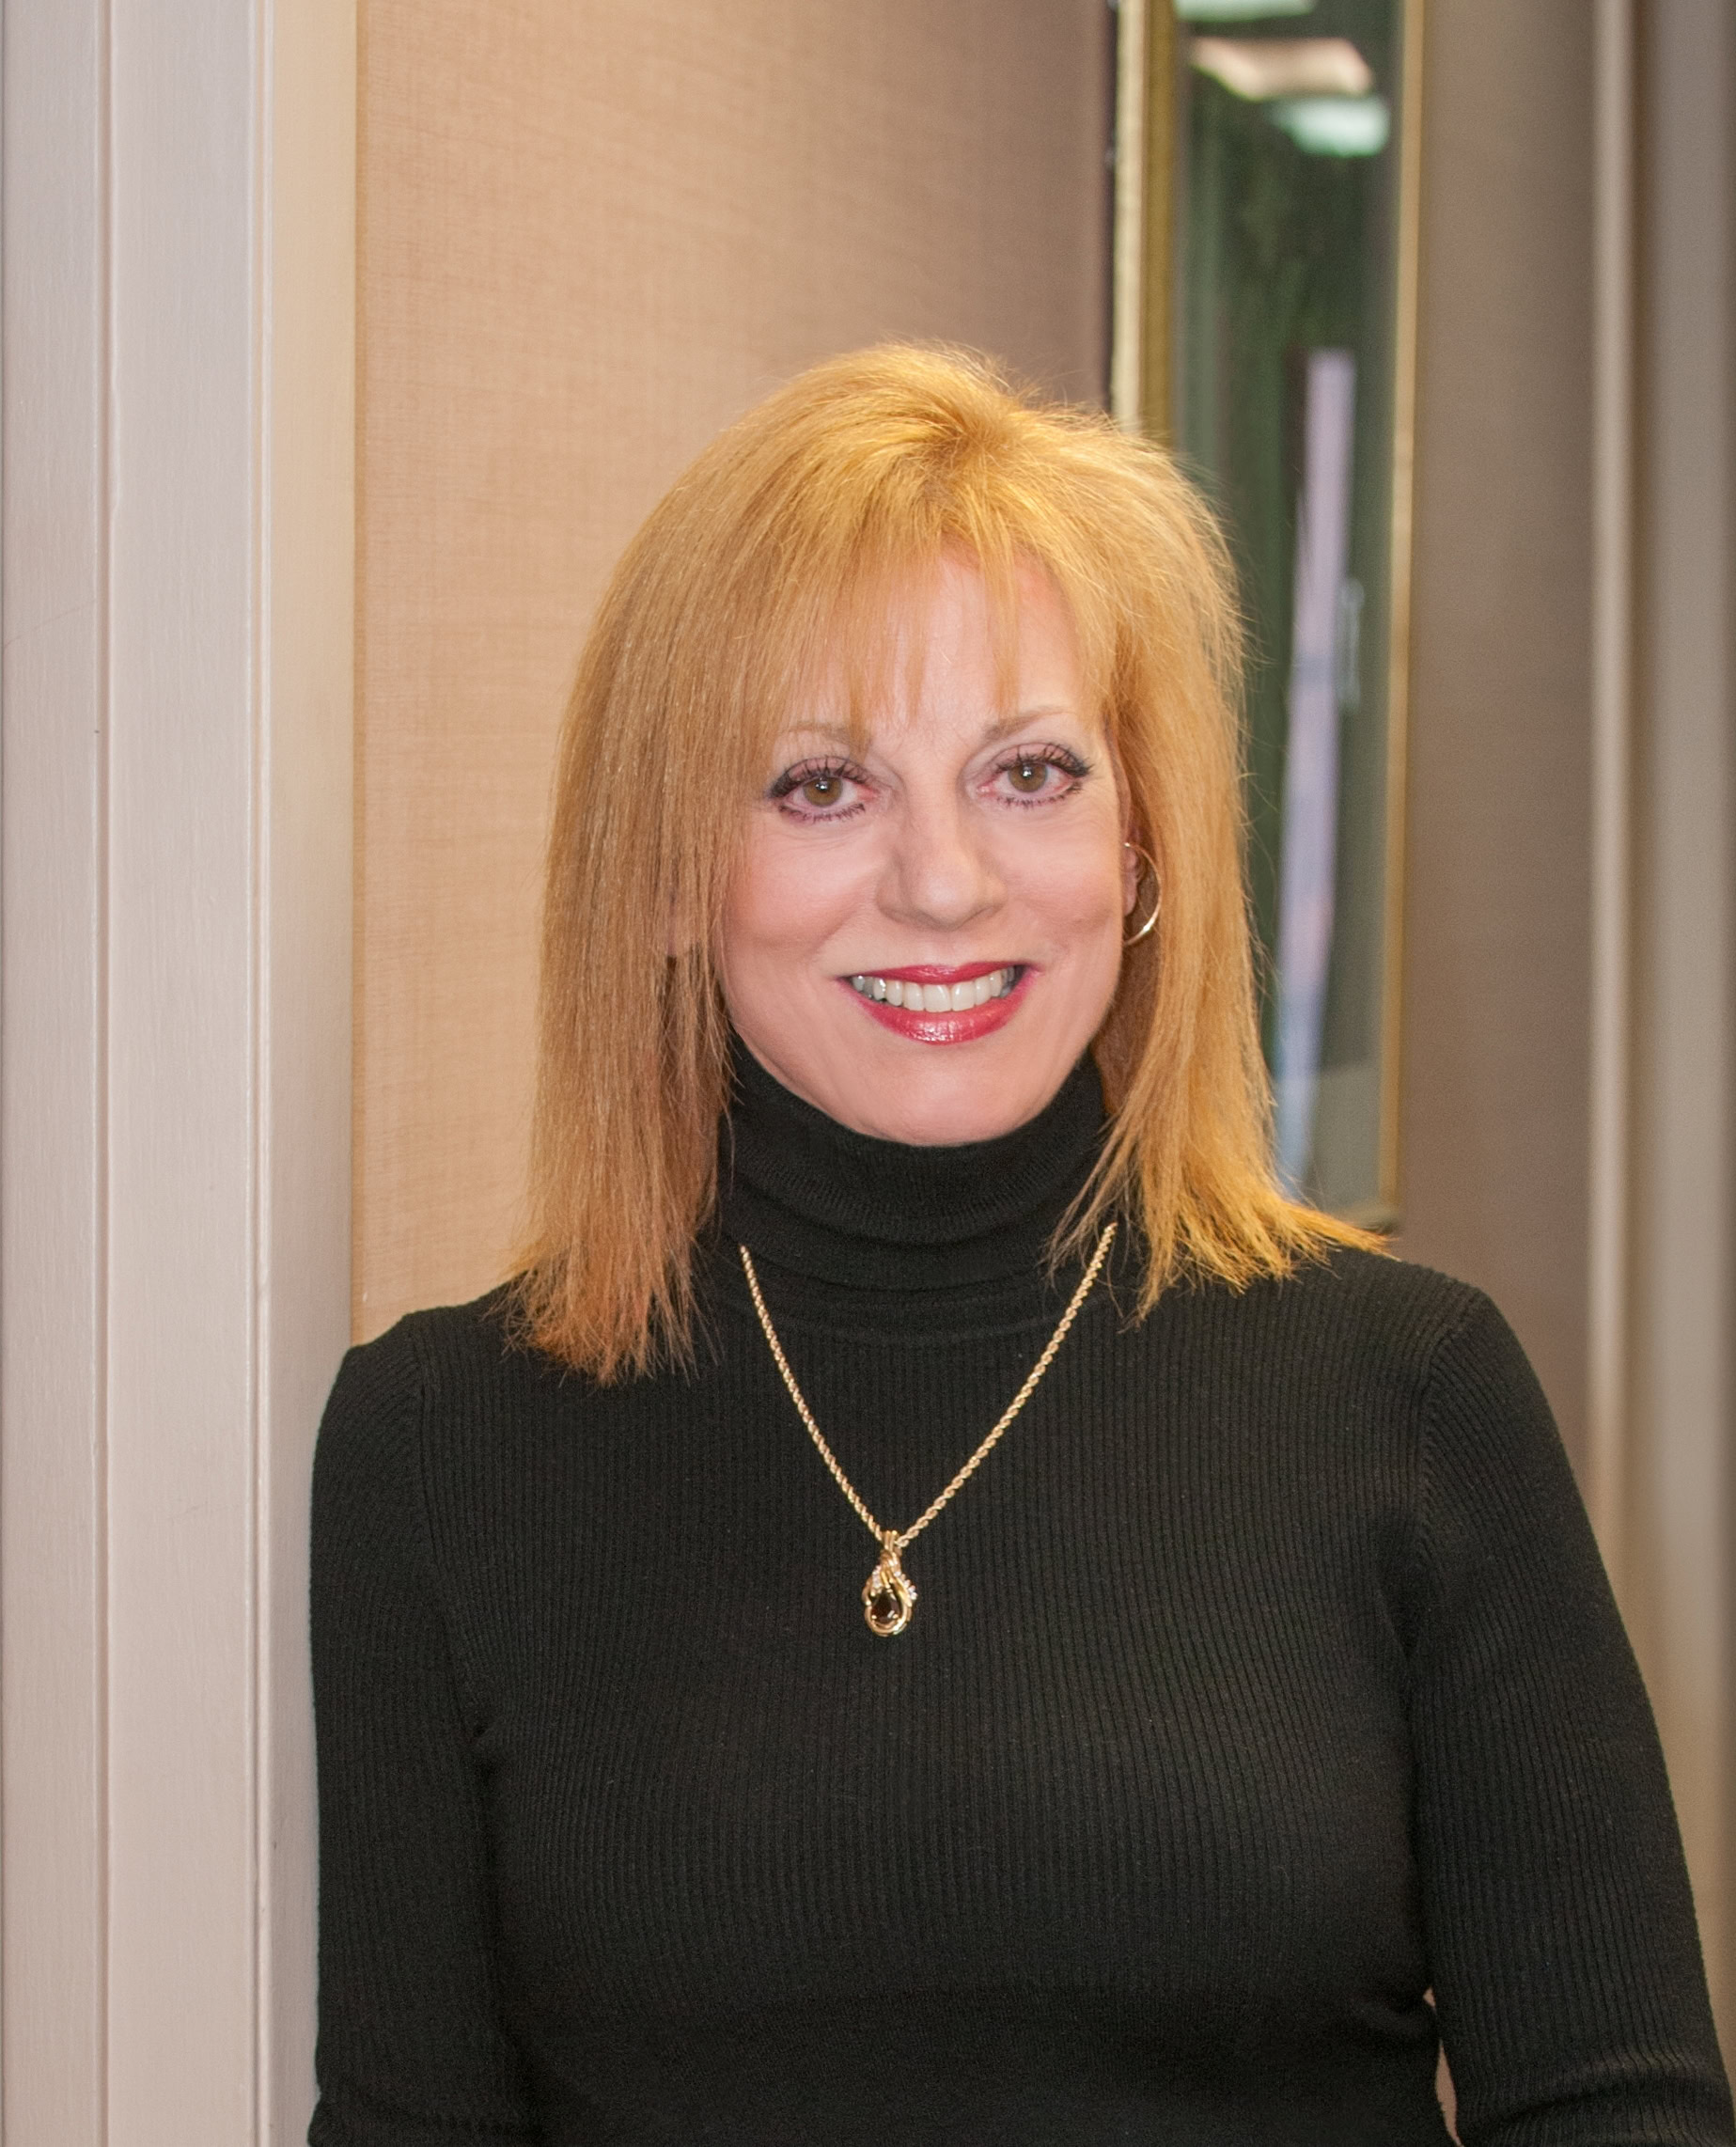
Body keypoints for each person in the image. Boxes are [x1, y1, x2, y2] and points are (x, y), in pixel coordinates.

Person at [309, 346, 1733, 2146]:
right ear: (665, 869)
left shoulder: (1407, 1394)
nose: (944, 882)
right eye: (822, 785)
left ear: (1140, 843)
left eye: (1029, 773)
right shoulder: (440, 1443)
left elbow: (1614, 2110)